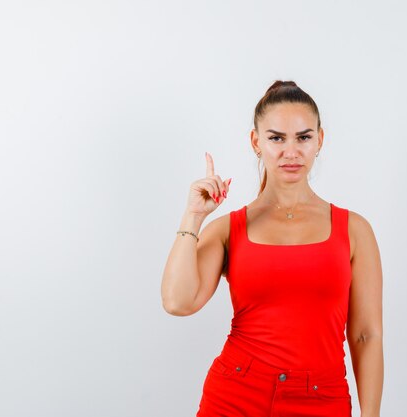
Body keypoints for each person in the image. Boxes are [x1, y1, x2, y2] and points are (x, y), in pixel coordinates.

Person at [161, 80, 383, 417]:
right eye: (276, 138)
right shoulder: (228, 230)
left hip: (323, 400)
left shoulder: (355, 230)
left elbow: (366, 335)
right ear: (256, 141)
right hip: (235, 396)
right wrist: (193, 216)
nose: (290, 152)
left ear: (319, 140)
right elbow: (178, 302)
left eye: (303, 137)